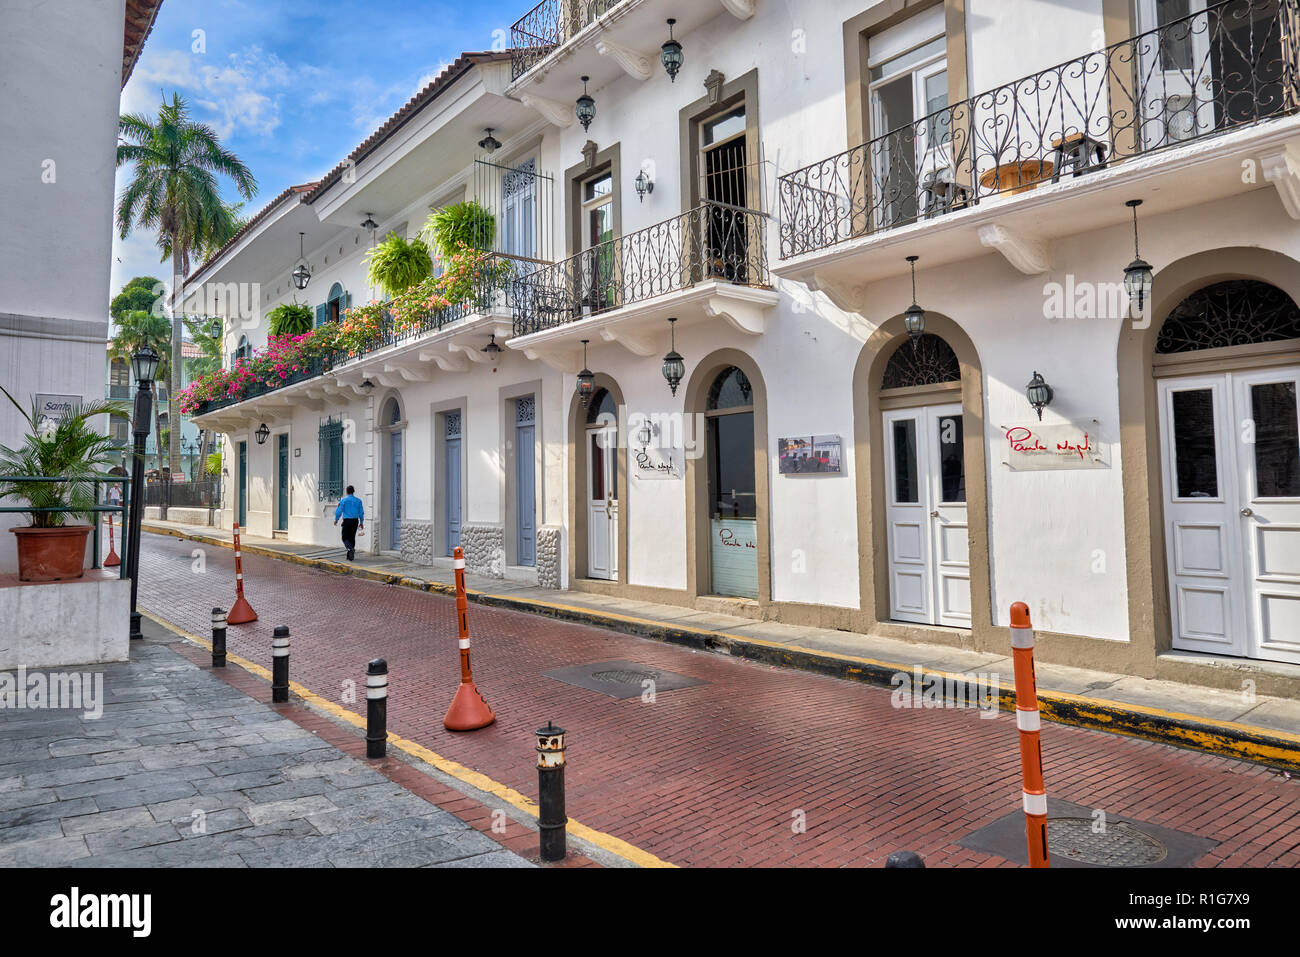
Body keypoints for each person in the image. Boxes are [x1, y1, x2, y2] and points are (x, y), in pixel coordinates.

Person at [333, 485, 365, 561]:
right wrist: (361, 522)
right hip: (355, 521)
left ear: (346, 492)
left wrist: (336, 519)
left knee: (344, 537)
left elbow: (339, 511)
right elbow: (361, 513)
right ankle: (350, 555)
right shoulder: (358, 501)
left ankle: (350, 549)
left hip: (347, 521)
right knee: (352, 537)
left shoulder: (343, 500)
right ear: (353, 491)